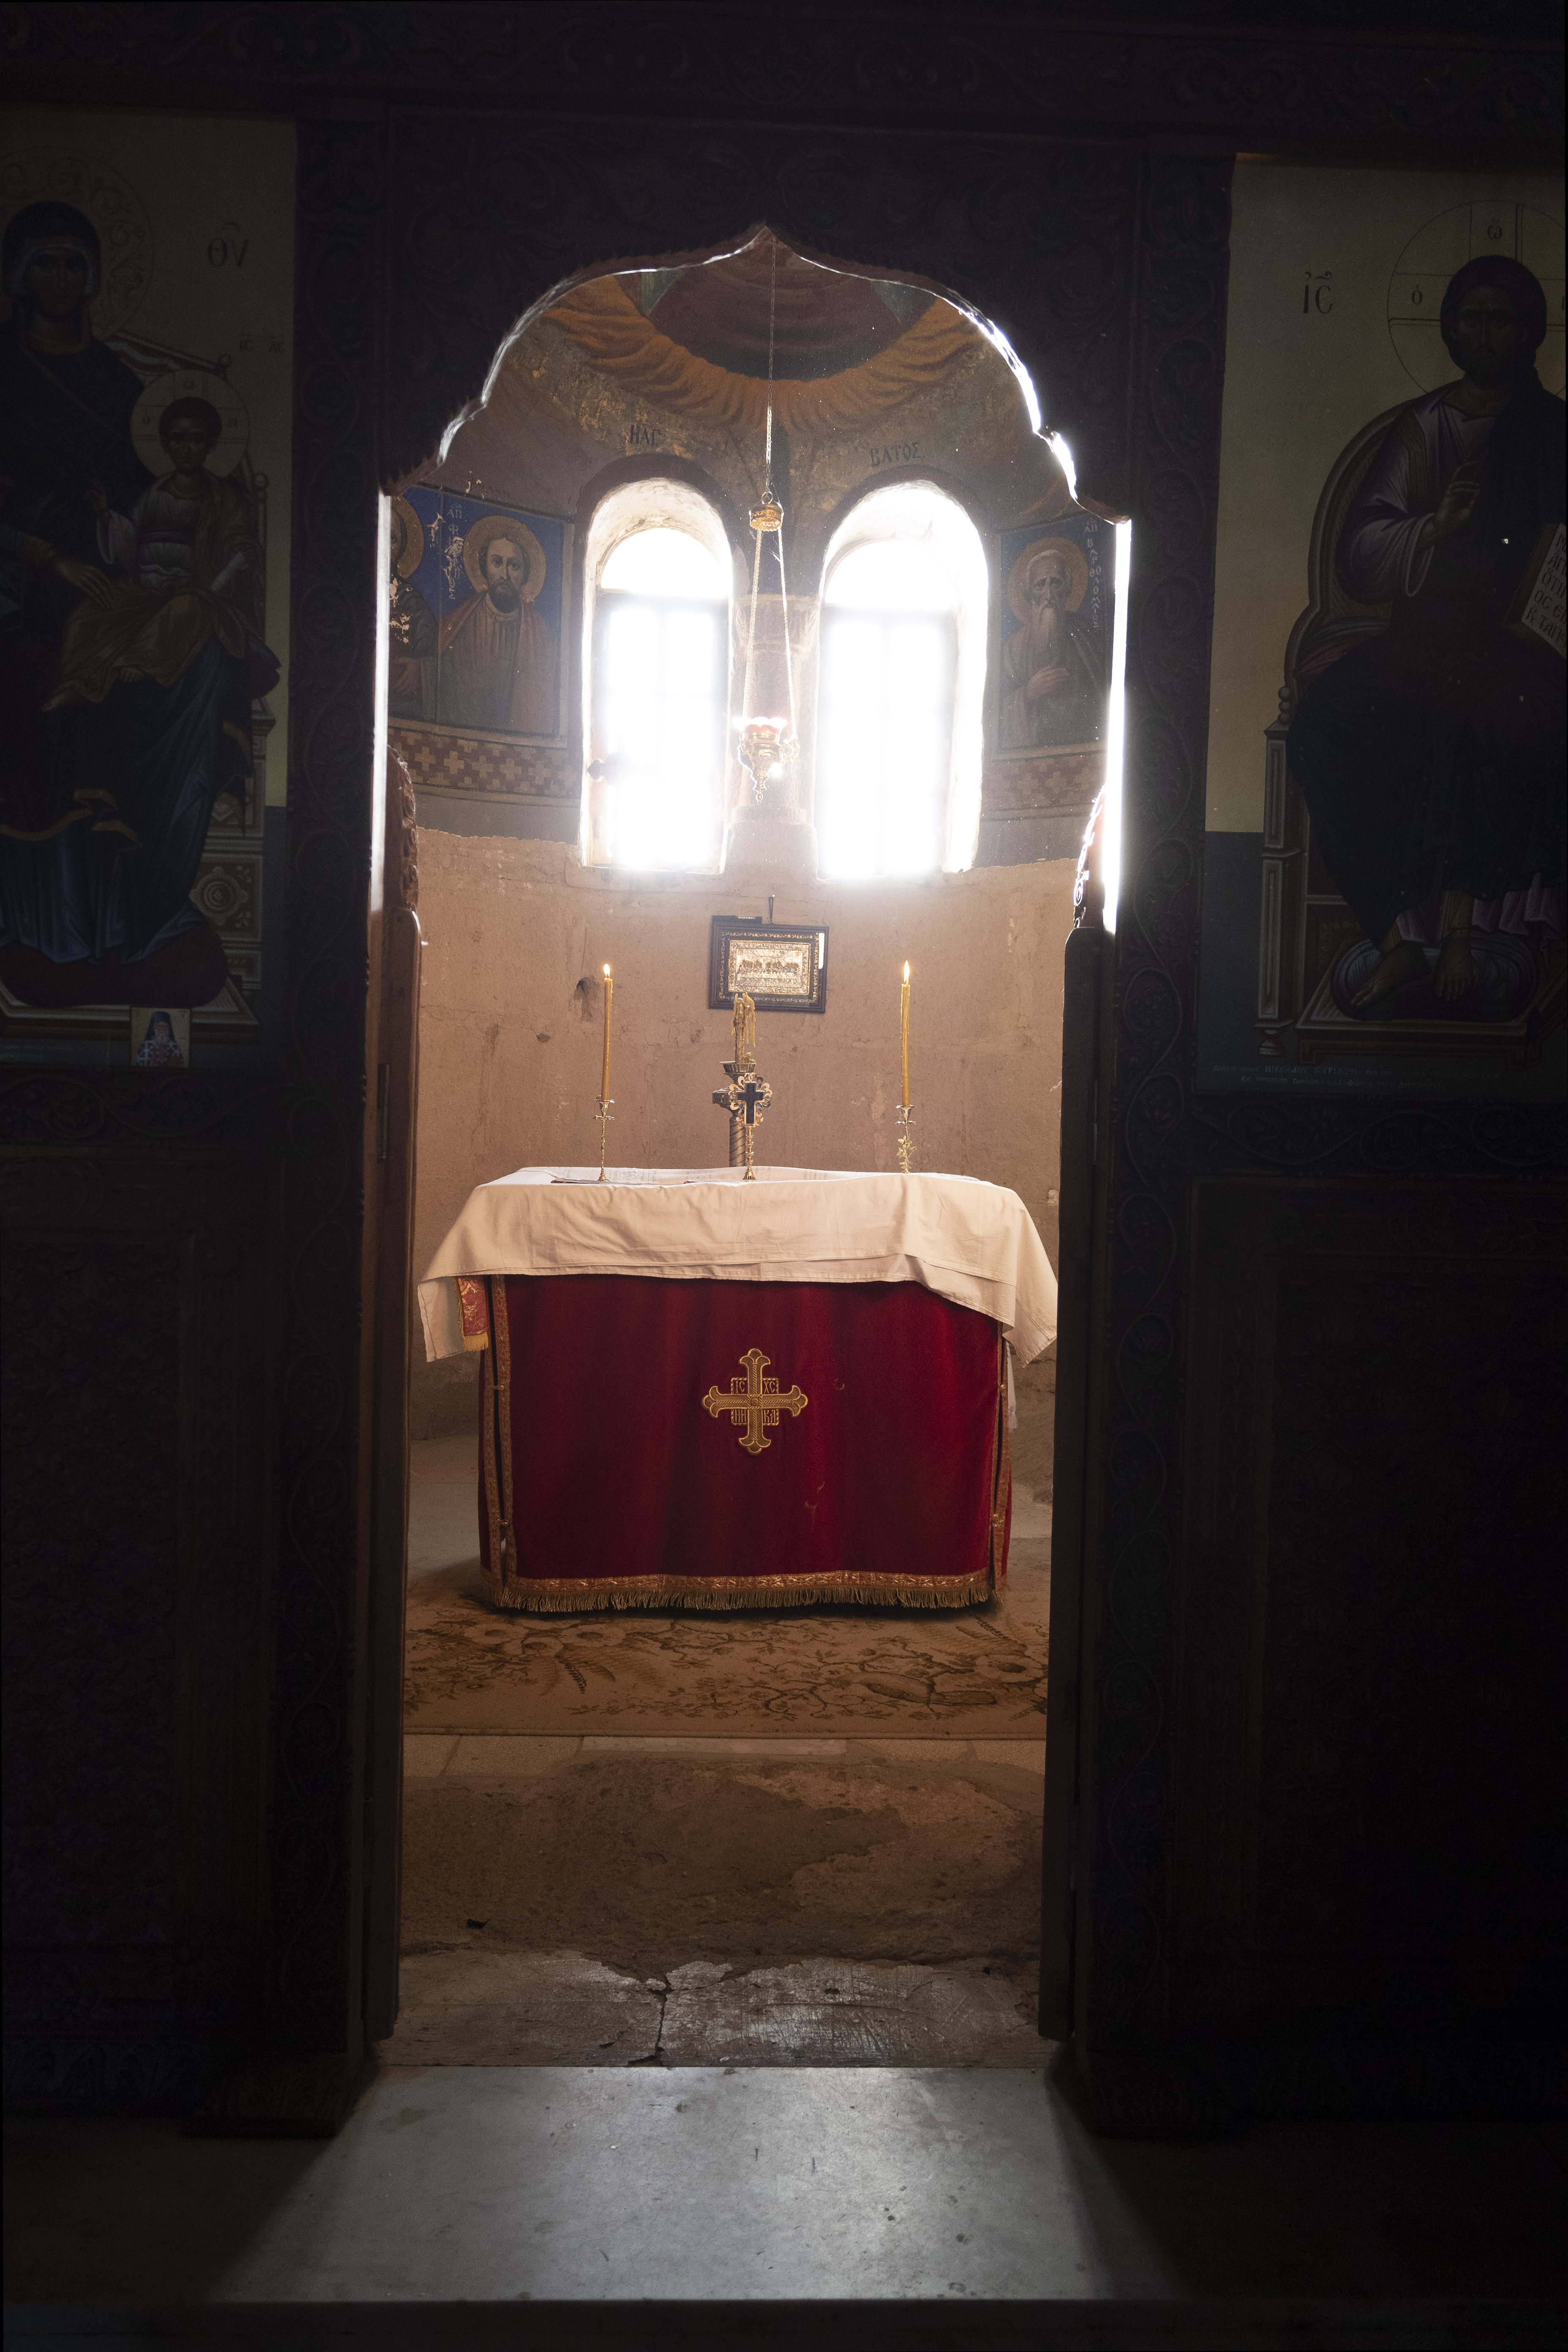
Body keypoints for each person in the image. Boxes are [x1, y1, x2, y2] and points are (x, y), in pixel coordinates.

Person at [1286, 255, 1565, 1010]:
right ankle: (1397, 938)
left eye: (1501, 320)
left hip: (1526, 646)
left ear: (1529, 331)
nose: (1485, 335)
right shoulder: (1426, 428)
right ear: (1449, 330)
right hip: (1428, 635)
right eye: (1471, 319)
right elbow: (1359, 551)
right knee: (1322, 726)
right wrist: (1433, 527)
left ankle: (1469, 928)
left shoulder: (1553, 431)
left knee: (1491, 715)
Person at [437, 517, 555, 734]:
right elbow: (441, 672)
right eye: (497, 563)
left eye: (514, 566)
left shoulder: (539, 632)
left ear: (525, 574)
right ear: (485, 567)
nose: (504, 575)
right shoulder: (462, 620)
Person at [1001, 545, 1106, 749]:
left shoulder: (1087, 638)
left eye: (1056, 583)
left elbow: (1103, 696)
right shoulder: (1013, 650)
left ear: (1068, 589)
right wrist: (1028, 693)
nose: (1048, 595)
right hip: (1033, 755)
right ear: (1030, 594)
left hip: (1084, 747)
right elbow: (995, 712)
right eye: (1040, 585)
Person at [387, 501, 436, 722]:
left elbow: (430, 651)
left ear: (401, 548)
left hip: (399, 704)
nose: (384, 544)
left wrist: (419, 669)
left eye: (392, 538)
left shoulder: (410, 599)